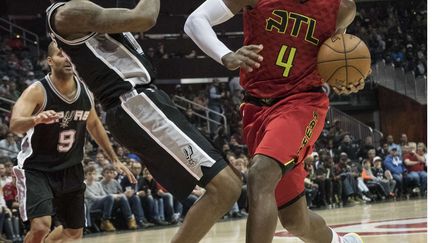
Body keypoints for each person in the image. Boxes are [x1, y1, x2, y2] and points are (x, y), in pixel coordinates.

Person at [47, 1, 242, 242]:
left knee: (227, 187)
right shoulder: (66, 14)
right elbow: (145, 17)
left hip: (143, 104)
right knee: (226, 187)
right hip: (136, 106)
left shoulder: (85, 12)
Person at [185, 0, 365, 242]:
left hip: (302, 103)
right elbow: (195, 20)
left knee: (260, 174)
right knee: (294, 219)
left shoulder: (341, 7)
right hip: (255, 108)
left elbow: (336, 55)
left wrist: (346, 78)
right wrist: (225, 55)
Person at [9, 42, 135, 243]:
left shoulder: (85, 90)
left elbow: (94, 125)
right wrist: (35, 119)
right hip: (37, 169)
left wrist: (114, 159)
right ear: (50, 61)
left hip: (71, 168)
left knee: (74, 232)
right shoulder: (37, 91)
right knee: (41, 226)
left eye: (69, 54)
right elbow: (15, 125)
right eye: (60, 55)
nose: (67, 58)